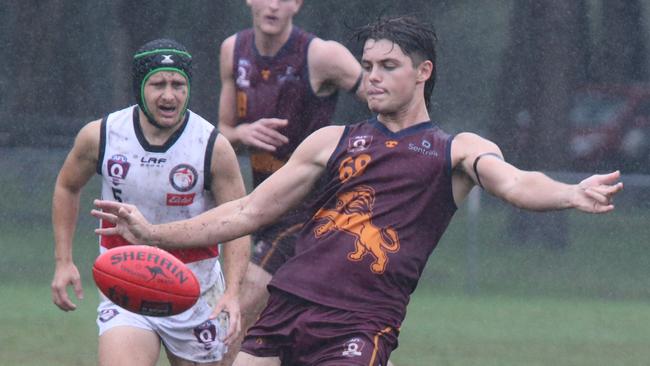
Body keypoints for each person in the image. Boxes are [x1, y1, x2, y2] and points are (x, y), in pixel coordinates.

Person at [92, 16, 624, 366]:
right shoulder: (331, 141)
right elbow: (249, 210)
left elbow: (514, 183)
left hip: (359, 325)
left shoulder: (454, 150)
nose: (372, 77)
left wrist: (570, 193)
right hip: (284, 309)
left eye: (387, 66)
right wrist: (154, 232)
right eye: (367, 66)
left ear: (423, 72)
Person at [51, 38, 250, 366]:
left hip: (196, 295)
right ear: (139, 87)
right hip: (126, 287)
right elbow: (66, 186)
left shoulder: (211, 146)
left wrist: (232, 294)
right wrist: (63, 261)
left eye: (178, 84)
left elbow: (239, 222)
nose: (169, 95)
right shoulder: (102, 136)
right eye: (158, 84)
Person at [216, 0, 367, 363]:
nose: (273, 5)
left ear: (297, 4)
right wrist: (243, 132)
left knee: (240, 303)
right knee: (305, 327)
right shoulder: (232, 50)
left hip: (314, 210)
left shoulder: (322, 56)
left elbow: (389, 99)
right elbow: (223, 131)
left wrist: (375, 151)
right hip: (267, 203)